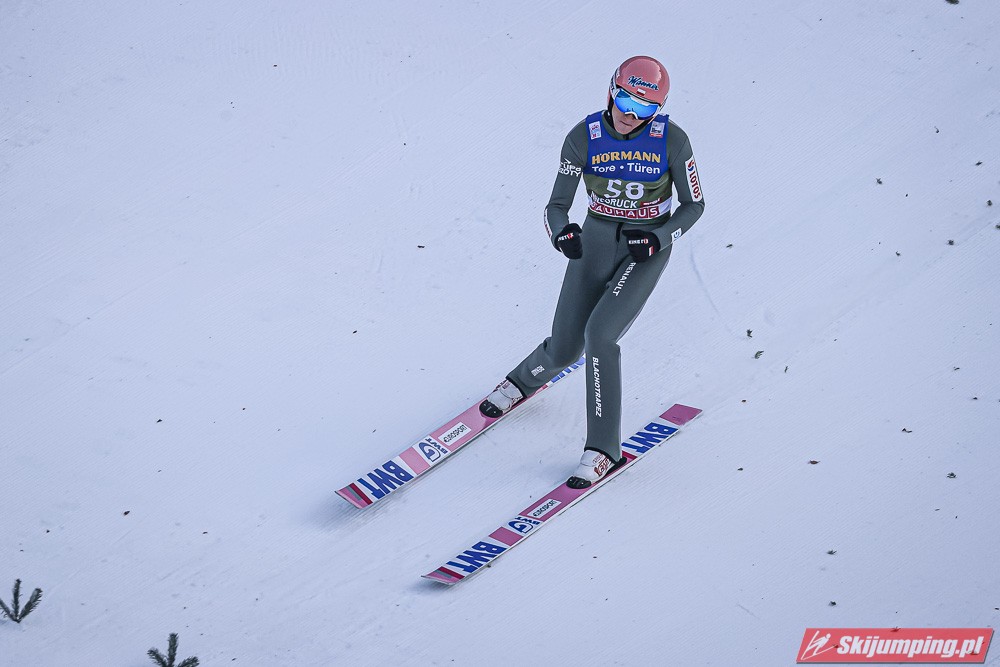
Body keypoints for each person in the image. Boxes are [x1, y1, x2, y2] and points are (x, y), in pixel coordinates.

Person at [480, 55, 705, 488]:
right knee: (565, 348)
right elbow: (556, 205)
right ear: (611, 91)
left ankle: (603, 449)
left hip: (643, 250)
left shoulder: (672, 141)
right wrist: (562, 233)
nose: (629, 114)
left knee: (600, 337)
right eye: (625, 100)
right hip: (596, 239)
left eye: (644, 108)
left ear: (657, 111)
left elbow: (694, 204)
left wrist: (659, 237)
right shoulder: (583, 137)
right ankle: (521, 382)